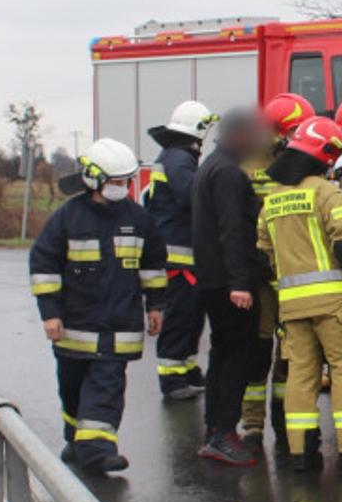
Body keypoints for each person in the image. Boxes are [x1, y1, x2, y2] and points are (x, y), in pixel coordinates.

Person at [29, 138, 168, 475]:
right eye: (115, 182)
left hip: (118, 326)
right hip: (74, 325)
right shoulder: (66, 219)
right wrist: (50, 313)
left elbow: (153, 265)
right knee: (72, 388)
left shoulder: (139, 220)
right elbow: (44, 265)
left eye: (126, 181)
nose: (122, 188)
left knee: (106, 387)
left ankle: (98, 451)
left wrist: (156, 306)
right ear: (93, 178)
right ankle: (77, 441)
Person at [256, 117, 342, 469]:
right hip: (332, 305)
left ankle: (300, 453)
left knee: (301, 373)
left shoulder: (273, 199)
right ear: (325, 153)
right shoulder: (327, 192)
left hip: (291, 306)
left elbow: (265, 254)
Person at [190, 108, 274, 465]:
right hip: (230, 284)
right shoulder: (226, 173)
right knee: (236, 357)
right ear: (238, 136)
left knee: (222, 356)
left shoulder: (210, 166)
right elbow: (232, 230)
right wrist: (240, 283)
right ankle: (223, 434)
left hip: (213, 280)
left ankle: (215, 431)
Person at [236, 94, 315, 439]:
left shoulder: (302, 162)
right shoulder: (250, 165)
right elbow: (240, 223)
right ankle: (253, 421)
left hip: (293, 273)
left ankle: (284, 417)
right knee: (258, 348)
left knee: (292, 350)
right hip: (261, 271)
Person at [147, 100, 217, 400]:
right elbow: (191, 196)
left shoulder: (177, 156)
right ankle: (172, 380)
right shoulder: (178, 158)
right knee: (179, 319)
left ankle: (187, 370)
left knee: (191, 318)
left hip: (185, 257)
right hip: (177, 259)